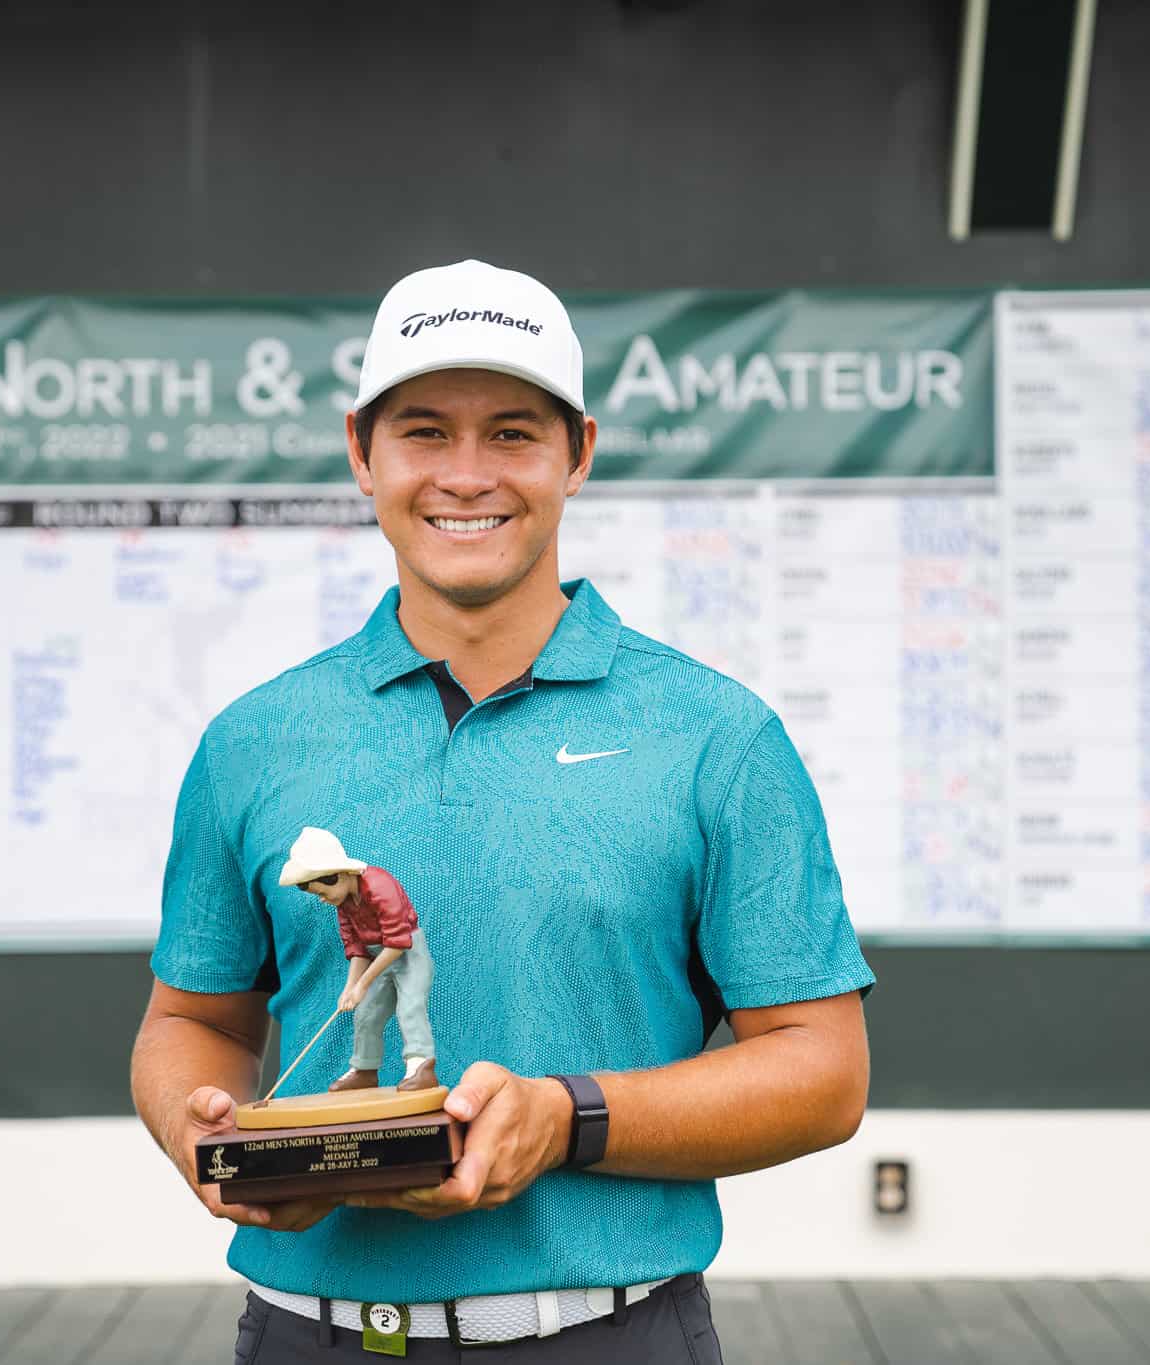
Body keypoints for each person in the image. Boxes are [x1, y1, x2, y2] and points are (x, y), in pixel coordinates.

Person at [133, 258, 873, 1362]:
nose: (466, 475)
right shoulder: (253, 740)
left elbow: (823, 1072)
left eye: (513, 434)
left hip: (608, 1338)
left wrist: (563, 1119)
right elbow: (193, 1024)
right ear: (362, 452)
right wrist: (205, 1134)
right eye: (424, 432)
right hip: (309, 1338)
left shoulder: (717, 737)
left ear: (578, 453)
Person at [276, 825, 440, 1093]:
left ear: (337, 876)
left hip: (408, 953)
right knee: (366, 1012)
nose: (322, 900)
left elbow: (398, 943)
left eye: (322, 892)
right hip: (378, 957)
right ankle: (364, 1070)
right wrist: (350, 988)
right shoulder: (342, 904)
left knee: (410, 1006)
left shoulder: (379, 886)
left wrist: (362, 984)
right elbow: (357, 948)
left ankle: (420, 1066)